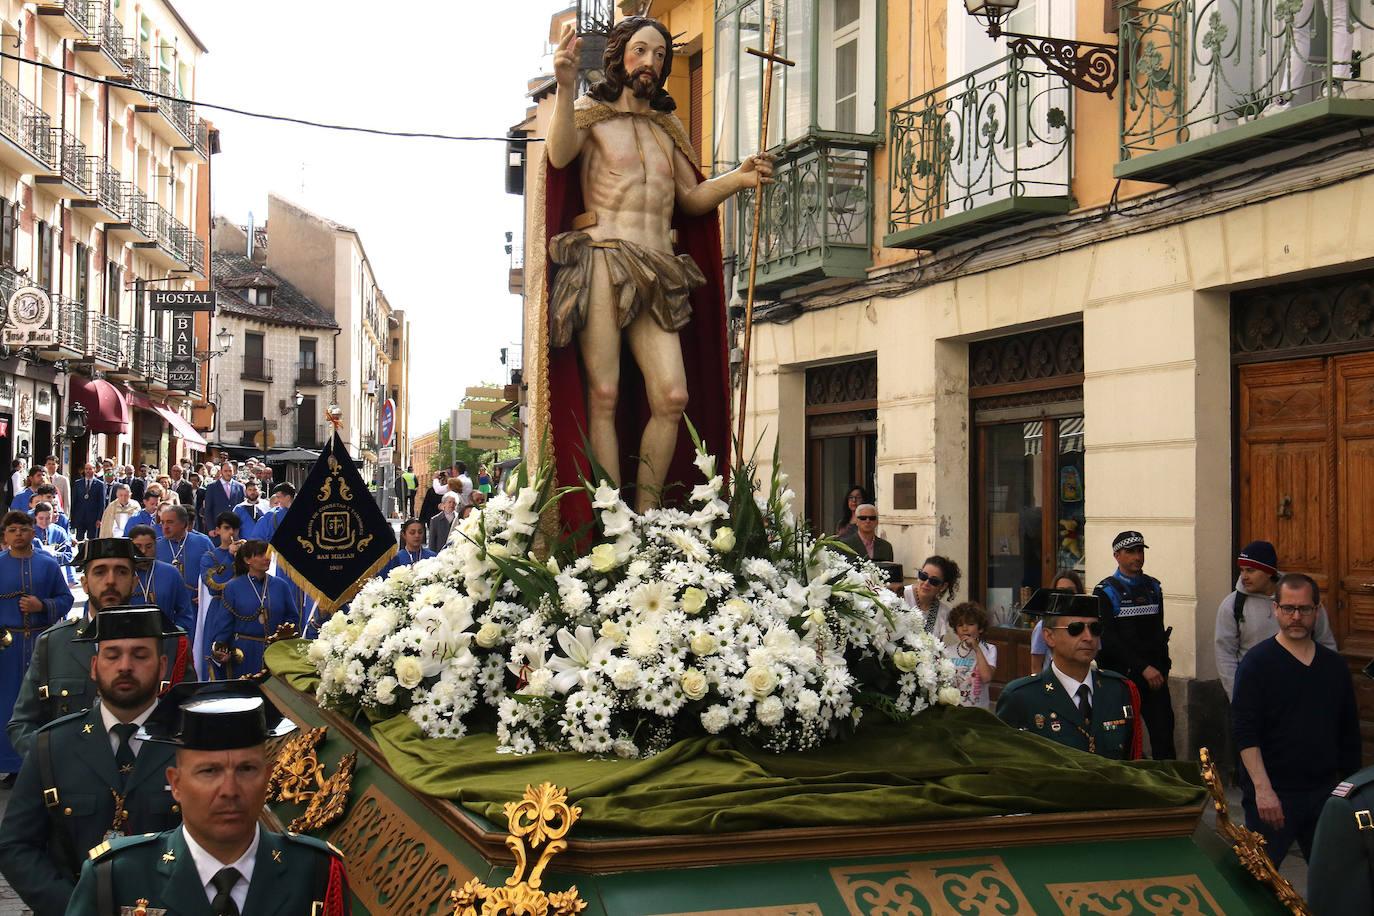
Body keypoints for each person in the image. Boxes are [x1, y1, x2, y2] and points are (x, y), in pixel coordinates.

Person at [545, 17, 767, 512]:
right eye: (641, 51)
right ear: (620, 54)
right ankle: (609, 520)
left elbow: (689, 199)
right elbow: (559, 157)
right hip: (602, 258)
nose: (651, 63)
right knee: (603, 392)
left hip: (659, 266)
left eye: (660, 55)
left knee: (672, 397)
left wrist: (738, 178)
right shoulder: (590, 114)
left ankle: (644, 521)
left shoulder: (668, 127)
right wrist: (563, 86)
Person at [67, 681, 351, 915]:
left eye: (246, 769)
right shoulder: (117, 876)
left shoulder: (314, 872)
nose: (229, 789)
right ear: (175, 784)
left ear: (267, 779)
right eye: (209, 771)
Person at [0, 607, 185, 916]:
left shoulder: (191, 745)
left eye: (140, 655)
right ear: (95, 666)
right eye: (113, 656)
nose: (125, 666)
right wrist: (74, 908)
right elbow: (15, 845)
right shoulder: (51, 746)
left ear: (162, 665)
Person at [8, 539, 194, 759]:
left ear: (135, 582)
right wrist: (53, 765)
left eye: (121, 572)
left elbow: (190, 720)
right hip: (74, 785)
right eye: (100, 572)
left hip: (146, 783)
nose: (111, 581)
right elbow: (22, 724)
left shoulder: (168, 641)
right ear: (85, 583)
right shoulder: (54, 643)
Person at [1232, 572, 1360, 867]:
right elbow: (1244, 730)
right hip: (1273, 796)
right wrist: (1264, 791)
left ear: (1317, 611)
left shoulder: (1334, 667)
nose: (1296, 617)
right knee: (1261, 882)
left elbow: (1348, 735)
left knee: (1334, 880)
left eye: (1304, 609)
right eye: (1288, 608)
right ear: (1275, 609)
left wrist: (1350, 795)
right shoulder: (1257, 664)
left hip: (1324, 794)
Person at [997, 589, 1142, 760]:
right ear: (1049, 636)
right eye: (1075, 629)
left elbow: (1132, 761)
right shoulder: (1021, 697)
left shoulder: (1118, 690)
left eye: (1095, 628)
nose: (1088, 637)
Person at [0, 511, 74, 775]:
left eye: (23, 529)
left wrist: (41, 605)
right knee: (7, 702)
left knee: (43, 703)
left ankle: (40, 761)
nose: (18, 534)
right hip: (6, 648)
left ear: (33, 532)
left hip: (43, 644)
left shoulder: (49, 565)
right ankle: (10, 764)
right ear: (5, 536)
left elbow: (65, 599)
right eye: (12, 530)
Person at [1215, 540, 1336, 699]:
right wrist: (1237, 695)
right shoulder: (1232, 605)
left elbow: (1326, 644)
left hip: (1302, 692)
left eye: (1250, 570)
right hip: (1255, 693)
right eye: (1242, 570)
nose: (1244, 576)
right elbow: (1225, 654)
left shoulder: (1303, 601)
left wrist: (1327, 689)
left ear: (1268, 572)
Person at [1094, 531, 1174, 760]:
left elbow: (1159, 632)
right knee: (1122, 739)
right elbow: (1108, 641)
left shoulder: (1153, 588)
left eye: (1140, 551)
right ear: (1116, 555)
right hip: (1123, 676)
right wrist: (1142, 667)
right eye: (1131, 551)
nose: (1137, 556)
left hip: (1155, 676)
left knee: (1164, 735)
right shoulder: (1105, 591)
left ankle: (1168, 787)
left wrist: (1163, 668)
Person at [208, 540, 299, 679]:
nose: (267, 558)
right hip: (245, 652)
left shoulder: (281, 586)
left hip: (277, 653)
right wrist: (221, 647)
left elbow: (292, 618)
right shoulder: (233, 587)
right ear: (247, 559)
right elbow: (224, 623)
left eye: (268, 554)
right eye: (261, 554)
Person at [154, 505, 213, 653]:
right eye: (162, 522)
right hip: (166, 610)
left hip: (195, 608)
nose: (165, 527)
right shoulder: (156, 546)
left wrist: (206, 593)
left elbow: (215, 572)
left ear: (184, 524)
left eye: (170, 522)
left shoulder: (202, 543)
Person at [127, 524, 196, 635]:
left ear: (156, 545)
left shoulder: (171, 573)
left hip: (164, 641)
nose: (143, 551)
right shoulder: (123, 575)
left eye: (149, 546)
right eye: (138, 547)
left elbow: (185, 614)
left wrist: (173, 633)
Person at [1031, 570, 1085, 672]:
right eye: (1061, 590)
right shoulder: (1043, 626)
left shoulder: (1088, 624)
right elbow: (1036, 666)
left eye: (1070, 590)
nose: (1065, 595)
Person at [948, 601, 997, 710]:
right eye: (960, 625)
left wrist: (976, 648)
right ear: (956, 630)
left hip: (979, 710)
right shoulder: (948, 651)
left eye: (970, 624)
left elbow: (986, 677)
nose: (965, 628)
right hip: (955, 708)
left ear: (980, 628)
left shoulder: (989, 649)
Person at [903, 555, 961, 645]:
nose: (926, 583)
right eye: (923, 576)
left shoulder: (944, 613)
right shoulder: (902, 595)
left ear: (943, 586)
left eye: (934, 581)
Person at [199, 461, 244, 533]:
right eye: (225, 471)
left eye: (230, 471)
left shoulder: (240, 487)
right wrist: (211, 528)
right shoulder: (212, 487)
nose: (228, 473)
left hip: (235, 529)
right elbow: (208, 509)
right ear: (221, 471)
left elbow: (242, 509)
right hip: (218, 529)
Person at [32, 502, 73, 573]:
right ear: (35, 517)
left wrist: (54, 556)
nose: (44, 522)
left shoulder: (60, 532)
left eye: (48, 518)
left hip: (55, 571)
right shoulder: (27, 532)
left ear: (52, 516)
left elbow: (68, 555)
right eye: (41, 518)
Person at [70, 463, 106, 541]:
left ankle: (90, 553)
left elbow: (101, 503)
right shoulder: (78, 483)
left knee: (92, 540)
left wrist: (99, 518)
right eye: (86, 469)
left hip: (93, 517)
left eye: (90, 469)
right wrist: (73, 517)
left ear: (94, 470)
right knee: (79, 539)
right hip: (80, 516)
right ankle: (81, 553)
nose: (88, 471)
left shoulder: (100, 484)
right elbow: (74, 501)